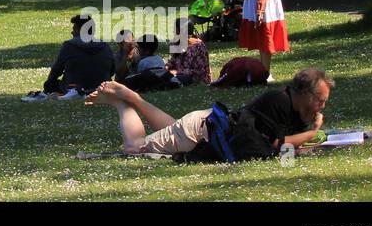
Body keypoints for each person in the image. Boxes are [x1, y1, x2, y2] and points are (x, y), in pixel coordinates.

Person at [83, 69, 332, 161]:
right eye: (320, 100)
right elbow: (278, 144)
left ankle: (134, 98)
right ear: (304, 94)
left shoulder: (290, 105)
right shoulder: (278, 101)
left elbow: (280, 149)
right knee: (134, 147)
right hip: (201, 132)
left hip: (202, 129)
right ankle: (121, 102)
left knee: (173, 128)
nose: (322, 106)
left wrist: (309, 135)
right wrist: (312, 133)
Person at [23, 14, 115, 102]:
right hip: (101, 88)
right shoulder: (104, 46)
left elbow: (56, 70)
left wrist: (49, 84)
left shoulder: (70, 45)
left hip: (74, 87)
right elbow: (112, 70)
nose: (72, 32)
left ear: (80, 30)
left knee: (50, 84)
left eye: (74, 29)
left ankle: (72, 92)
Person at [168, 19, 212, 86]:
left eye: (176, 30)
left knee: (171, 80)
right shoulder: (176, 44)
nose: (174, 32)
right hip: (179, 75)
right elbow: (172, 62)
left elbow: (200, 71)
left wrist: (177, 73)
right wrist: (166, 69)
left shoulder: (198, 46)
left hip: (195, 79)